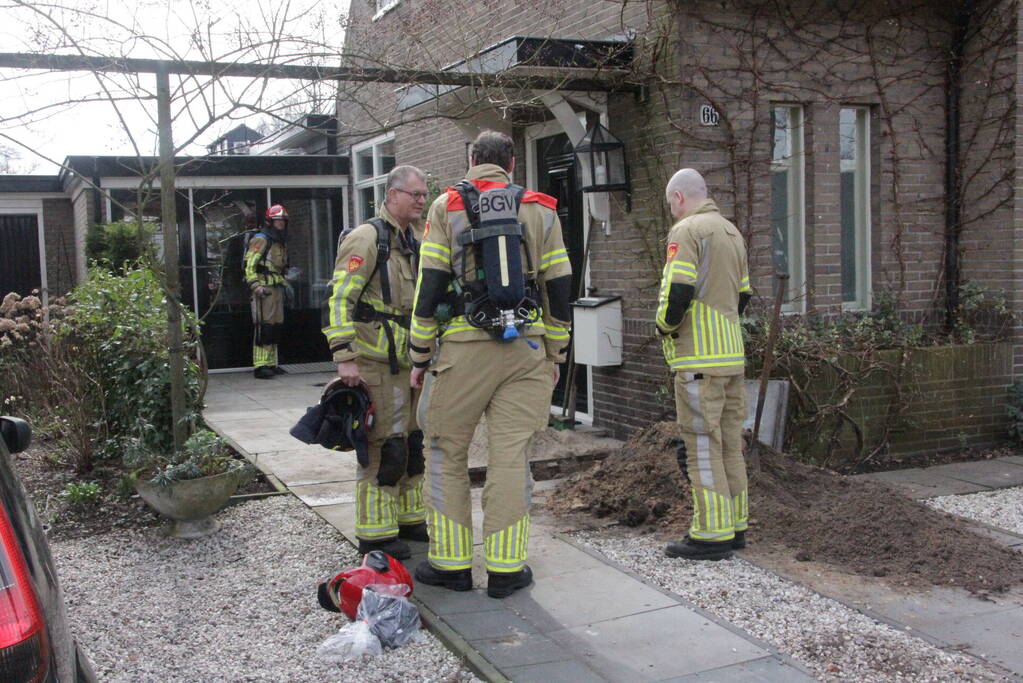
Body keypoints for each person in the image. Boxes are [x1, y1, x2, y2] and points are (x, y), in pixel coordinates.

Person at [408, 130, 572, 598]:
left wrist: (420, 356)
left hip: (463, 350)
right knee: (510, 457)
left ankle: (452, 564)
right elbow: (559, 285)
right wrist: (555, 352)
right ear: (513, 164)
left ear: (471, 160)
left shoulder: (446, 207)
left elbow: (431, 285)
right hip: (527, 349)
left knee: (444, 453)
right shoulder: (541, 208)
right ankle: (506, 569)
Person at [322, 165, 429, 560]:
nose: (421, 200)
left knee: (413, 440)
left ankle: (409, 518)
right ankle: (376, 535)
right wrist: (344, 357)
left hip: (412, 361)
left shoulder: (415, 238)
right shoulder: (367, 238)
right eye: (414, 194)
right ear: (392, 195)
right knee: (383, 445)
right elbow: (338, 299)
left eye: (424, 194)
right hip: (375, 363)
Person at [656, 168, 752, 561]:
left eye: (669, 204)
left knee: (701, 444)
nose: (671, 212)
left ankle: (711, 534)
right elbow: (743, 296)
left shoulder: (687, 232)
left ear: (678, 198)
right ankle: (735, 524)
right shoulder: (732, 233)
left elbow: (677, 290)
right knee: (730, 443)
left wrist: (663, 325)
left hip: (699, 358)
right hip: (731, 355)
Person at [245, 204, 290, 379]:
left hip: (276, 287)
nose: (282, 224)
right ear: (270, 221)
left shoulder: (278, 240)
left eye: (284, 221)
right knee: (264, 327)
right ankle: (260, 365)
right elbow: (249, 264)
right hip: (264, 290)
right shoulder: (262, 239)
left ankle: (271, 363)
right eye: (279, 221)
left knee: (275, 325)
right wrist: (256, 286)